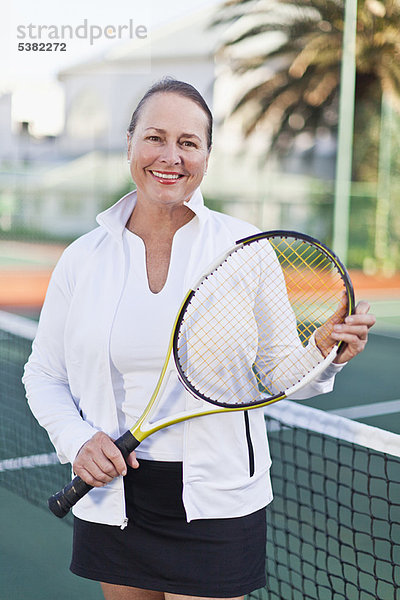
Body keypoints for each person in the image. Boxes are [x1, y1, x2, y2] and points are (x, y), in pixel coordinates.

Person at [23, 78, 375, 600]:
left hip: (217, 503)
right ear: (129, 144)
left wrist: (322, 350)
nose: (171, 156)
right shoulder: (83, 258)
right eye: (155, 138)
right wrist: (77, 441)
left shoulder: (245, 248)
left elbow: (281, 379)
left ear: (207, 155)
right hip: (112, 496)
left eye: (189, 143)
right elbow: (44, 375)